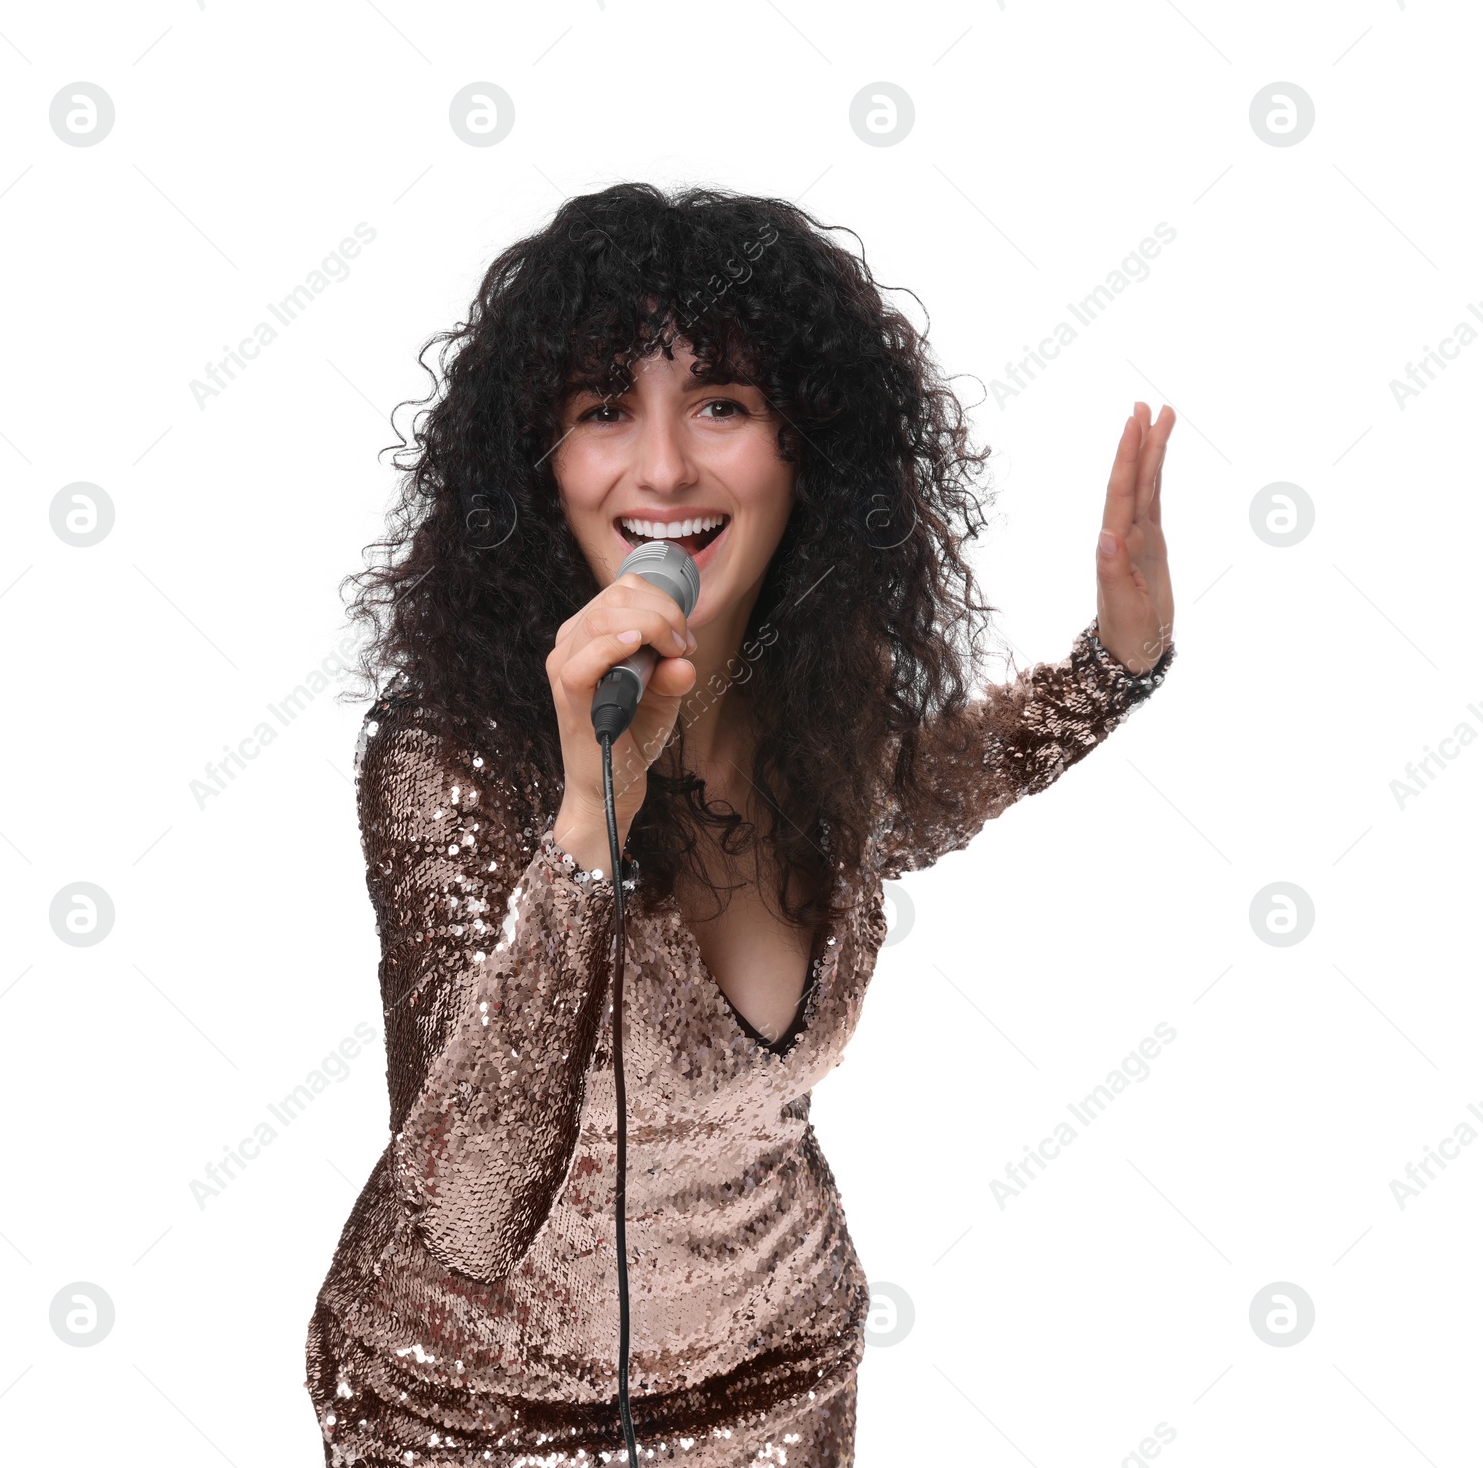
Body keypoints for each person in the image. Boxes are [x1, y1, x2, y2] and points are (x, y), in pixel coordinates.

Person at [304, 183, 1177, 1467]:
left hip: (787, 1377)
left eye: (720, 403)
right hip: (472, 1421)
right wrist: (587, 824)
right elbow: (471, 1208)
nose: (661, 467)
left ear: (806, 447)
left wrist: (1116, 662)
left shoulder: (820, 728)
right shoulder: (454, 761)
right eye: (604, 409)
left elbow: (939, 786)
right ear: (539, 464)